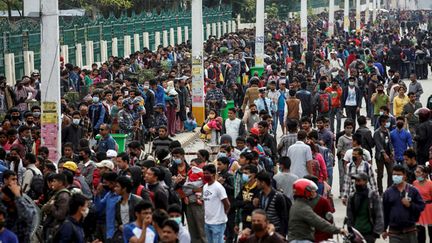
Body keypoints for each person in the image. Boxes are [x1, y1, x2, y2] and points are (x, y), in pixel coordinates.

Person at [382, 165, 425, 243]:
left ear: (404, 176)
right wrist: (384, 229)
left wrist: (410, 205)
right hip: (394, 233)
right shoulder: (388, 193)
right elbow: (385, 212)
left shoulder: (413, 190)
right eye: (394, 174)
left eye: (398, 175)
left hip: (410, 231)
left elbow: (421, 206)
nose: (396, 177)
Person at [346, 172, 384, 243]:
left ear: (366, 181)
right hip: (356, 233)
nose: (357, 183)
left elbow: (379, 215)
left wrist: (376, 232)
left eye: (359, 181)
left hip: (369, 233)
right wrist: (350, 230)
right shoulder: (352, 197)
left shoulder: (373, 196)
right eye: (356, 181)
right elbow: (349, 216)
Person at [202, 164, 230, 243]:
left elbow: (227, 204)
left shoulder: (218, 187)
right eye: (204, 173)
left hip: (218, 223)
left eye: (207, 173)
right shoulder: (205, 187)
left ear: (213, 174)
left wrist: (223, 215)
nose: (205, 175)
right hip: (207, 221)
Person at [256, 171, 289, 237]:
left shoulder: (278, 196)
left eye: (257, 181)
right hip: (263, 232)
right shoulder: (260, 195)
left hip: (276, 232)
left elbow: (283, 217)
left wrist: (282, 234)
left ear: (263, 183)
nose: (256, 183)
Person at [41, 173, 72, 242]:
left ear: (60, 183)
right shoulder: (57, 193)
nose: (52, 183)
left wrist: (52, 206)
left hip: (55, 228)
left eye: (54, 181)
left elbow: (60, 215)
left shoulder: (63, 196)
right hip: (52, 227)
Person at [94, 172, 121, 241]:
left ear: (113, 183)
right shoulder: (109, 194)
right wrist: (97, 194)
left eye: (106, 183)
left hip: (117, 232)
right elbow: (99, 207)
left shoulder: (120, 196)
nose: (104, 185)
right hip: (109, 230)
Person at [374, 115, 394, 194]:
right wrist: (384, 154)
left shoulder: (388, 131)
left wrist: (392, 151)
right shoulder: (377, 132)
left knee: (390, 172)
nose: (388, 123)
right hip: (380, 156)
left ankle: (389, 189)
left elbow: (390, 142)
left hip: (389, 155)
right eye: (386, 121)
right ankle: (380, 191)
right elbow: (378, 145)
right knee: (380, 174)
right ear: (382, 122)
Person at [412, 166, 432, 243]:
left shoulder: (430, 184)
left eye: (418, 172)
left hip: (429, 210)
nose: (416, 174)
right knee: (420, 233)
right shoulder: (415, 183)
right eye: (415, 172)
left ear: (424, 174)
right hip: (419, 210)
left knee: (431, 231)